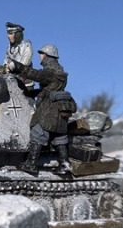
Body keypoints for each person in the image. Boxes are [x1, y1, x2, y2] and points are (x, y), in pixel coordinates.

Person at [10, 44, 77, 175]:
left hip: (50, 108)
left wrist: (20, 68)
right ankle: (65, 164)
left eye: (41, 54)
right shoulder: (58, 71)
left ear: (47, 55)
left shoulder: (51, 70)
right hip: (59, 109)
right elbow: (48, 88)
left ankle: (31, 164)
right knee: (59, 137)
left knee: (38, 132)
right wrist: (33, 93)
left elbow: (38, 76)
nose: (40, 56)